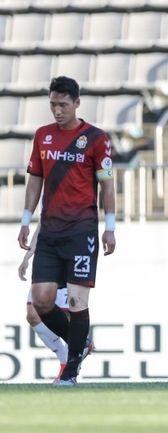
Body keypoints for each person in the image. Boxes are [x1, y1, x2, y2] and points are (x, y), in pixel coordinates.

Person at [18, 76, 114, 386]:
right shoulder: (43, 136)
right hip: (50, 231)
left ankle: (70, 370)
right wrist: (25, 219)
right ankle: (81, 341)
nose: (57, 111)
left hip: (81, 230)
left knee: (76, 303)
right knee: (41, 301)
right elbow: (35, 178)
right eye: (52, 105)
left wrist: (109, 227)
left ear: (76, 103)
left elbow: (107, 184)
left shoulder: (97, 139)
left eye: (62, 105)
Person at [19, 224, 69, 381]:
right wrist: (27, 258)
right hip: (46, 257)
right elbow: (42, 226)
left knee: (67, 315)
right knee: (32, 314)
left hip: (67, 255)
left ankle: (69, 368)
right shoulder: (45, 200)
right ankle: (65, 358)